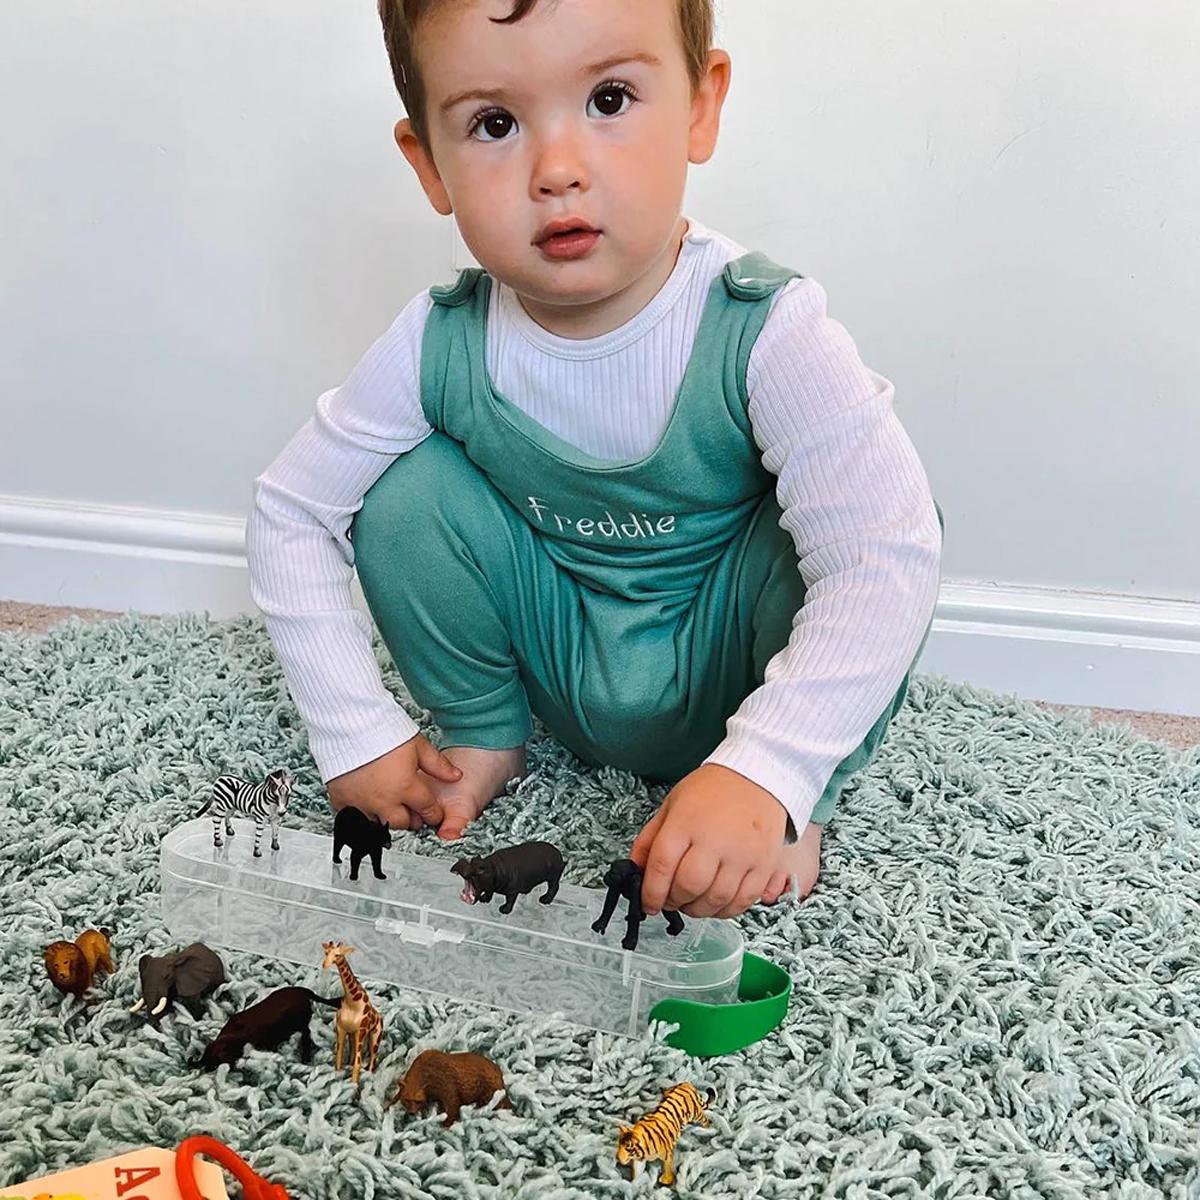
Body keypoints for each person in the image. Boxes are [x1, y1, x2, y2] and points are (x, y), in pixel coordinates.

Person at [245, 0, 944, 922]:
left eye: (609, 99)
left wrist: (773, 765)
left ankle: (785, 806)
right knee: (406, 494)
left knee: (879, 527)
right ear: (430, 165)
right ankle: (484, 731)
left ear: (701, 105)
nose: (558, 170)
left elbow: (885, 554)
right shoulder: (439, 341)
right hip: (563, 655)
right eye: (495, 124)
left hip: (734, 660)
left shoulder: (765, 330)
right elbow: (292, 512)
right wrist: (354, 732)